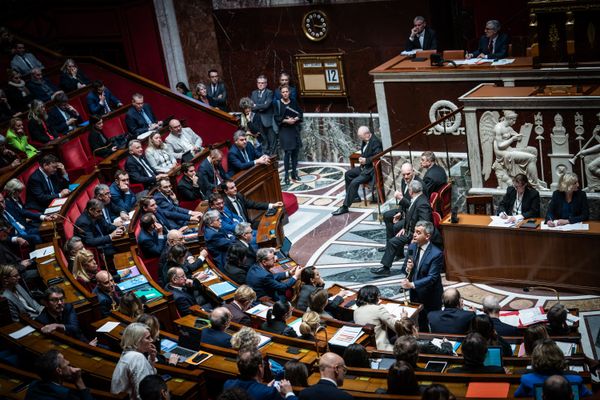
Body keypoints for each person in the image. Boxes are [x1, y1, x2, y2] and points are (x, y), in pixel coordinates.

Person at [373, 181, 433, 275]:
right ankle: (386, 268)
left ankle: (388, 268)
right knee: (392, 241)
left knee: (393, 242)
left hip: (415, 235)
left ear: (411, 191)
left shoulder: (422, 203)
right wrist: (404, 228)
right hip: (410, 231)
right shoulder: (418, 199)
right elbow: (411, 216)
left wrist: (415, 236)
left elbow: (425, 223)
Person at [332, 126, 383, 215]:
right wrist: (362, 158)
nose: (360, 139)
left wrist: (366, 160)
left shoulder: (375, 142)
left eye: (361, 137)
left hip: (370, 171)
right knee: (348, 174)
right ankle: (355, 197)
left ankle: (345, 206)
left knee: (354, 182)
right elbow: (365, 152)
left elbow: (377, 156)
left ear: (367, 134)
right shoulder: (365, 140)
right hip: (363, 168)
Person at [514, 339, 592, 397]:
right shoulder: (575, 379)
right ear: (560, 357)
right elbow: (588, 395)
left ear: (534, 360)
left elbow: (517, 396)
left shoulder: (527, 379)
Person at [223, 348, 298, 400]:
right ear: (260, 367)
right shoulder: (270, 393)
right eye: (263, 364)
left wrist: (264, 387)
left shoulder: (228, 384)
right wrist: (289, 393)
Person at [111, 322, 157, 400]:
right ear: (137, 341)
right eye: (148, 338)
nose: (151, 340)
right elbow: (142, 393)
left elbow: (148, 380)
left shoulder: (127, 353)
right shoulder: (137, 358)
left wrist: (152, 360)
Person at [25, 350, 93, 400]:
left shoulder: (33, 385)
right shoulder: (66, 395)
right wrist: (78, 380)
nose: (68, 362)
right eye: (64, 361)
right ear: (59, 371)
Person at [381, 162, 424, 240]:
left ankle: (397, 246)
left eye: (408, 174)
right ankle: (390, 243)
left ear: (413, 171)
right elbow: (405, 200)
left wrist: (401, 199)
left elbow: (415, 205)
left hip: (413, 215)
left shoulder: (419, 184)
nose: (406, 177)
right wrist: (400, 212)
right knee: (387, 215)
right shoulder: (403, 181)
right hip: (405, 211)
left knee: (397, 226)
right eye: (403, 175)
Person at [353, 285, 397, 351]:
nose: (379, 297)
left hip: (366, 346)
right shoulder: (378, 309)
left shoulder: (356, 311)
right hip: (381, 347)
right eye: (378, 295)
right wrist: (404, 317)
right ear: (373, 297)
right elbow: (396, 327)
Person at [275, 86, 303, 184]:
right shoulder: (277, 103)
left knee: (295, 152)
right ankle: (286, 174)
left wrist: (295, 119)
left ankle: (294, 173)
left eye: (287, 91)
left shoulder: (293, 102)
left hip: (294, 129)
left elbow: (300, 113)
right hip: (285, 130)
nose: (285, 93)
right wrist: (287, 120)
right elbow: (276, 118)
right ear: (281, 93)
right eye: (283, 92)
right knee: (288, 153)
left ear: (289, 92)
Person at [250, 75, 277, 156]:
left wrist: (256, 105)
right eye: (259, 83)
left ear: (266, 84)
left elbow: (267, 105)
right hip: (258, 121)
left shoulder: (270, 92)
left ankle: (273, 158)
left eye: (262, 83)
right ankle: (265, 156)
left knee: (272, 141)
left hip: (268, 121)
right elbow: (251, 106)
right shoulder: (254, 93)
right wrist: (261, 105)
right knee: (263, 140)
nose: (260, 84)